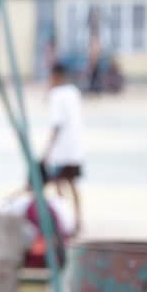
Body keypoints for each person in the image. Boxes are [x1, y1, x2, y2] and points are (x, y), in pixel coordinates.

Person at [43, 63, 84, 234]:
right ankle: (77, 219)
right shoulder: (73, 92)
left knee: (58, 184)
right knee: (72, 185)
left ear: (56, 77)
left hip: (60, 151)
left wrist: (47, 151)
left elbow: (56, 125)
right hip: (75, 148)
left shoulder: (56, 95)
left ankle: (63, 220)